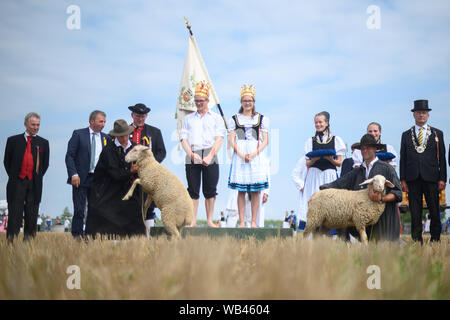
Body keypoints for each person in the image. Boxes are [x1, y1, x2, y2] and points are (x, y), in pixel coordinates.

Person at [320, 134, 403, 242]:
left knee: (383, 252)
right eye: (362, 148)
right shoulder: (357, 171)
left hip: (384, 220)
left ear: (375, 149)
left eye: (368, 148)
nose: (365, 151)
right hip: (364, 221)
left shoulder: (386, 168)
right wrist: (319, 194)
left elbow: (398, 193)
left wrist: (381, 199)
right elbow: (337, 184)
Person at [85, 119, 145, 238]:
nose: (124, 138)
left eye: (126, 135)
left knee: (135, 221)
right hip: (111, 192)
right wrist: (130, 171)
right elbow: (115, 174)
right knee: (107, 221)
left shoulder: (135, 148)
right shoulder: (109, 151)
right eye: (121, 136)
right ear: (116, 136)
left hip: (130, 192)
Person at [400, 99, 446, 244]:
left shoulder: (437, 133)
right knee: (415, 212)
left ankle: (435, 239)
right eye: (418, 113)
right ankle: (416, 240)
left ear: (428, 115)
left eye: (424, 113)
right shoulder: (406, 135)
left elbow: (442, 158)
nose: (421, 115)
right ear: (414, 115)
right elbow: (403, 158)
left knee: (434, 210)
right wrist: (402, 179)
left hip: (431, 177)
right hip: (412, 178)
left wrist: (442, 178)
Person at [180, 81, 225, 227]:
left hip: (210, 153)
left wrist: (210, 155)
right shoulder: (188, 119)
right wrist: (192, 155)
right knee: (192, 189)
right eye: (196, 101)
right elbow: (183, 139)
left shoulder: (216, 118)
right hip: (192, 153)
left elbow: (219, 138)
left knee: (210, 189)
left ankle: (209, 220)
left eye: (201, 101)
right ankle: (192, 220)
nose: (198, 103)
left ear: (207, 101)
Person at [227, 84, 269, 228]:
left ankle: (253, 222)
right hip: (240, 154)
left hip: (255, 154)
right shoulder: (235, 119)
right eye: (245, 100)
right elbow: (232, 140)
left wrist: (253, 153)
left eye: (249, 100)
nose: (247, 103)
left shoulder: (261, 118)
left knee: (255, 190)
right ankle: (242, 222)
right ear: (241, 102)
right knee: (241, 190)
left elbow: (266, 141)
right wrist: (241, 154)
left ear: (253, 102)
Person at [3, 112, 50, 242]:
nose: (36, 127)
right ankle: (11, 244)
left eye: (38, 125)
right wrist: (16, 177)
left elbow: (45, 165)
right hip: (17, 183)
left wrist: (35, 177)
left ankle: (28, 246)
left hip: (34, 185)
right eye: (33, 124)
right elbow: (7, 162)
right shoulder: (13, 141)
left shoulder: (43, 143)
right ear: (25, 124)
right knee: (14, 216)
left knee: (31, 216)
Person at [65, 110, 110, 238]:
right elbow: (69, 156)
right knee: (79, 210)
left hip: (98, 180)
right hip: (80, 178)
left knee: (95, 210)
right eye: (101, 121)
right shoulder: (79, 134)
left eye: (104, 122)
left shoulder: (106, 138)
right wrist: (73, 174)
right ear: (92, 121)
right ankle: (77, 237)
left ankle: (90, 237)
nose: (103, 124)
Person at [300, 111, 346, 231]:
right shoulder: (310, 141)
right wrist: (314, 159)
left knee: (330, 203)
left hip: (329, 175)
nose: (318, 124)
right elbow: (307, 163)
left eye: (320, 122)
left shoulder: (336, 140)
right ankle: (311, 230)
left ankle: (330, 231)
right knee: (312, 201)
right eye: (316, 122)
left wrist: (331, 159)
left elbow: (339, 163)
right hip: (314, 175)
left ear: (326, 123)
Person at [128, 103, 166, 232]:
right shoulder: (125, 132)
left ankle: (150, 236)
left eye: (143, 116)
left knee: (148, 206)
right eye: (138, 116)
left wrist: (151, 164)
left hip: (149, 176)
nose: (140, 119)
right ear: (132, 115)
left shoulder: (154, 132)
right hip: (129, 175)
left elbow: (162, 152)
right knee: (130, 205)